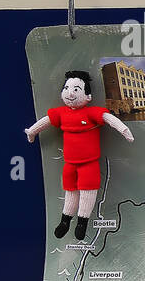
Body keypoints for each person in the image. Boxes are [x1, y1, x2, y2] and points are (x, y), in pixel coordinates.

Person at [25, 70, 134, 240]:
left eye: (76, 89)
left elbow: (109, 119)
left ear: (87, 95)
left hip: (89, 164)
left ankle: (82, 222)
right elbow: (44, 122)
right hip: (70, 163)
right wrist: (31, 132)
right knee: (71, 191)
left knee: (88, 191)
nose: (70, 93)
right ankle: (65, 220)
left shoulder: (91, 113)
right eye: (67, 88)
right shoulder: (61, 113)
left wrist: (125, 131)